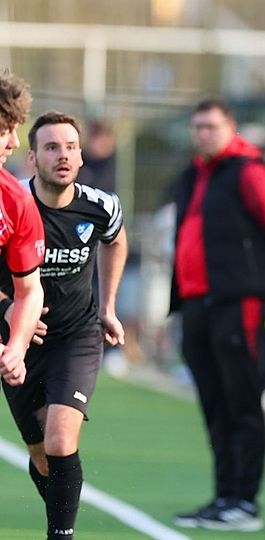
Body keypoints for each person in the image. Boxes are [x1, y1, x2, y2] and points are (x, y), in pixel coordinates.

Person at [0, 112, 126, 540]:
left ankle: (61, 536)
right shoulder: (11, 203)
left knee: (59, 439)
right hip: (17, 343)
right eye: (52, 147)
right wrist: (7, 313)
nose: (64, 155)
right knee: (40, 453)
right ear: (32, 157)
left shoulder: (100, 205)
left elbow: (116, 237)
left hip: (77, 337)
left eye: (71, 147)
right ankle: (59, 519)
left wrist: (108, 304)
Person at [169, 98, 265, 532]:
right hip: (197, 303)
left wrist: (258, 281)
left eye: (211, 126)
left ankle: (244, 500)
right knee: (214, 403)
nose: (203, 133)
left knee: (241, 400)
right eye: (197, 125)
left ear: (230, 127)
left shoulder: (249, 170)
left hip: (239, 300)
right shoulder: (194, 172)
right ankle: (224, 495)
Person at [0, 70, 45, 390]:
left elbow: (30, 290)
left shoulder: (16, 200)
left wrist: (16, 348)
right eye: (5, 130)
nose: (15, 143)